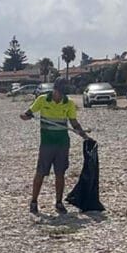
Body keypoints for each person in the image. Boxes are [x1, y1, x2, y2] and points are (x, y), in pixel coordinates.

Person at [20, 83, 92, 215]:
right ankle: (34, 202)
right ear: (54, 89)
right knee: (40, 173)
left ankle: (59, 203)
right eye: (59, 92)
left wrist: (85, 136)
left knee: (60, 174)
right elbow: (28, 112)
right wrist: (25, 115)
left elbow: (74, 123)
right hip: (47, 144)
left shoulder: (68, 103)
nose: (61, 95)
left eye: (63, 92)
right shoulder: (42, 99)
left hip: (62, 144)